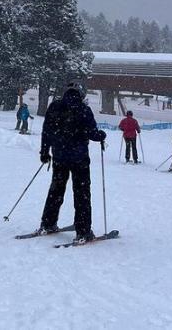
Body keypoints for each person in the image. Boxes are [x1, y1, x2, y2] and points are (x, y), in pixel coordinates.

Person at [37, 83, 107, 245]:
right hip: (79, 158)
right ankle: (83, 231)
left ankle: (48, 223)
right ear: (81, 95)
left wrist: (44, 152)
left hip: (60, 156)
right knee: (82, 193)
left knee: (56, 190)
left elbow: (46, 131)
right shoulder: (84, 110)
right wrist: (100, 135)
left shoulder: (55, 107)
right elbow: (92, 133)